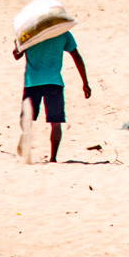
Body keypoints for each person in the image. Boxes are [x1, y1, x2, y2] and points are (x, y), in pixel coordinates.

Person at [13, 25, 89, 163]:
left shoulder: (28, 33)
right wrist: (85, 83)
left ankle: (25, 141)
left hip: (32, 82)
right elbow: (77, 57)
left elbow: (17, 55)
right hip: (54, 82)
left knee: (26, 119)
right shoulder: (63, 33)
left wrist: (17, 45)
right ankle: (53, 158)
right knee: (55, 123)